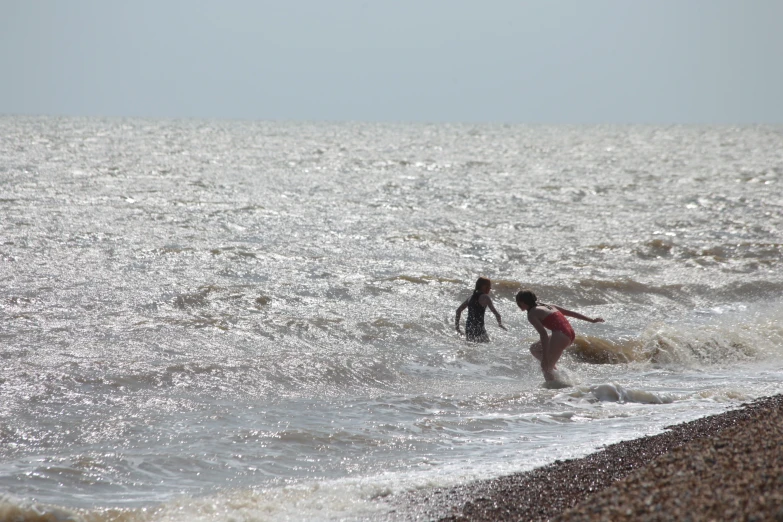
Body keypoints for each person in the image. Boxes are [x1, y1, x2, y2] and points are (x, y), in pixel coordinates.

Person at [515, 289, 604, 381]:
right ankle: (555, 373)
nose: (518, 305)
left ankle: (553, 389)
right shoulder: (548, 305)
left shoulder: (532, 314)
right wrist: (591, 320)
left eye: (518, 303)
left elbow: (544, 334)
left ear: (522, 302)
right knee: (534, 348)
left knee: (546, 368)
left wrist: (545, 357)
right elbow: (571, 313)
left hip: (560, 336)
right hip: (570, 334)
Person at [456, 277, 506, 342]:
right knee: (488, 348)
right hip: (479, 329)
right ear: (484, 286)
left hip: (469, 329)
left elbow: (458, 310)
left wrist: (457, 328)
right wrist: (500, 324)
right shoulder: (485, 297)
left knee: (472, 348)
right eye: (489, 287)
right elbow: (496, 314)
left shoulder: (470, 297)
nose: (490, 289)